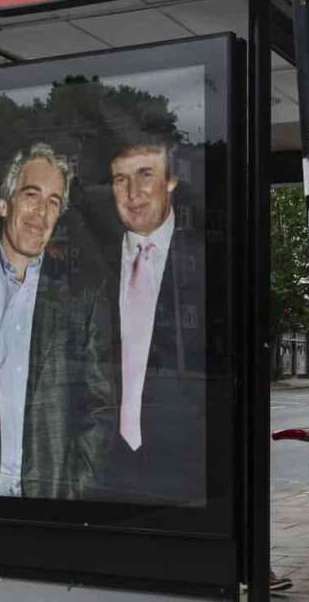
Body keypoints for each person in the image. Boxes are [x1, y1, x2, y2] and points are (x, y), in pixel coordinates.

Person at [0, 143, 114, 500]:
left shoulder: (82, 299)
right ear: (4, 203)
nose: (42, 213)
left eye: (54, 202)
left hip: (53, 499)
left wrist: (75, 494)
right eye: (32, 195)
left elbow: (100, 409)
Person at [103, 132, 206, 506]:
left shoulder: (205, 261)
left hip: (183, 463)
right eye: (120, 179)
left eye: (145, 175)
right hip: (105, 465)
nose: (133, 193)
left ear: (171, 180)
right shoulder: (93, 266)